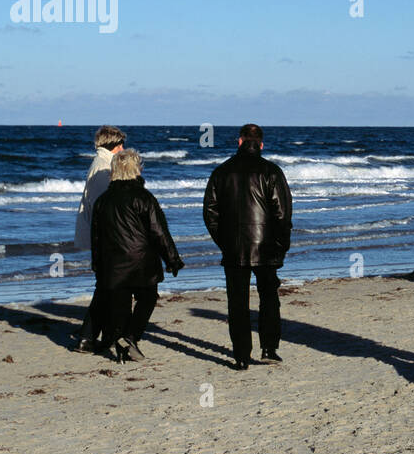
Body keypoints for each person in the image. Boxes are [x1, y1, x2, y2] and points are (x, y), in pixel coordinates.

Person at [203, 123, 293, 370]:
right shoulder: (271, 171)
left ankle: (242, 355)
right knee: (269, 297)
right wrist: (281, 245)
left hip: (234, 248)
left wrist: (223, 241)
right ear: (261, 144)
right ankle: (269, 349)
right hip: (265, 246)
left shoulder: (221, 172)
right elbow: (282, 214)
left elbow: (210, 213)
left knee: (237, 302)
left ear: (239, 141)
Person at [90, 149, 183, 362]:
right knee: (148, 298)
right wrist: (172, 259)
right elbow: (159, 231)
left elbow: (96, 237)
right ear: (135, 169)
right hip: (142, 262)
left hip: (113, 264)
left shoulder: (103, 200)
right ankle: (130, 337)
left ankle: (124, 344)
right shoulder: (144, 197)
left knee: (121, 306)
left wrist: (97, 263)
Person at [73, 124, 125, 353]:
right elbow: (104, 206)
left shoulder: (104, 164)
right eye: (120, 143)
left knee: (105, 288)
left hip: (103, 236)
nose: (123, 147)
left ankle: (91, 336)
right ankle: (88, 336)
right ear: (112, 144)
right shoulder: (102, 167)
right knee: (106, 288)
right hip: (105, 237)